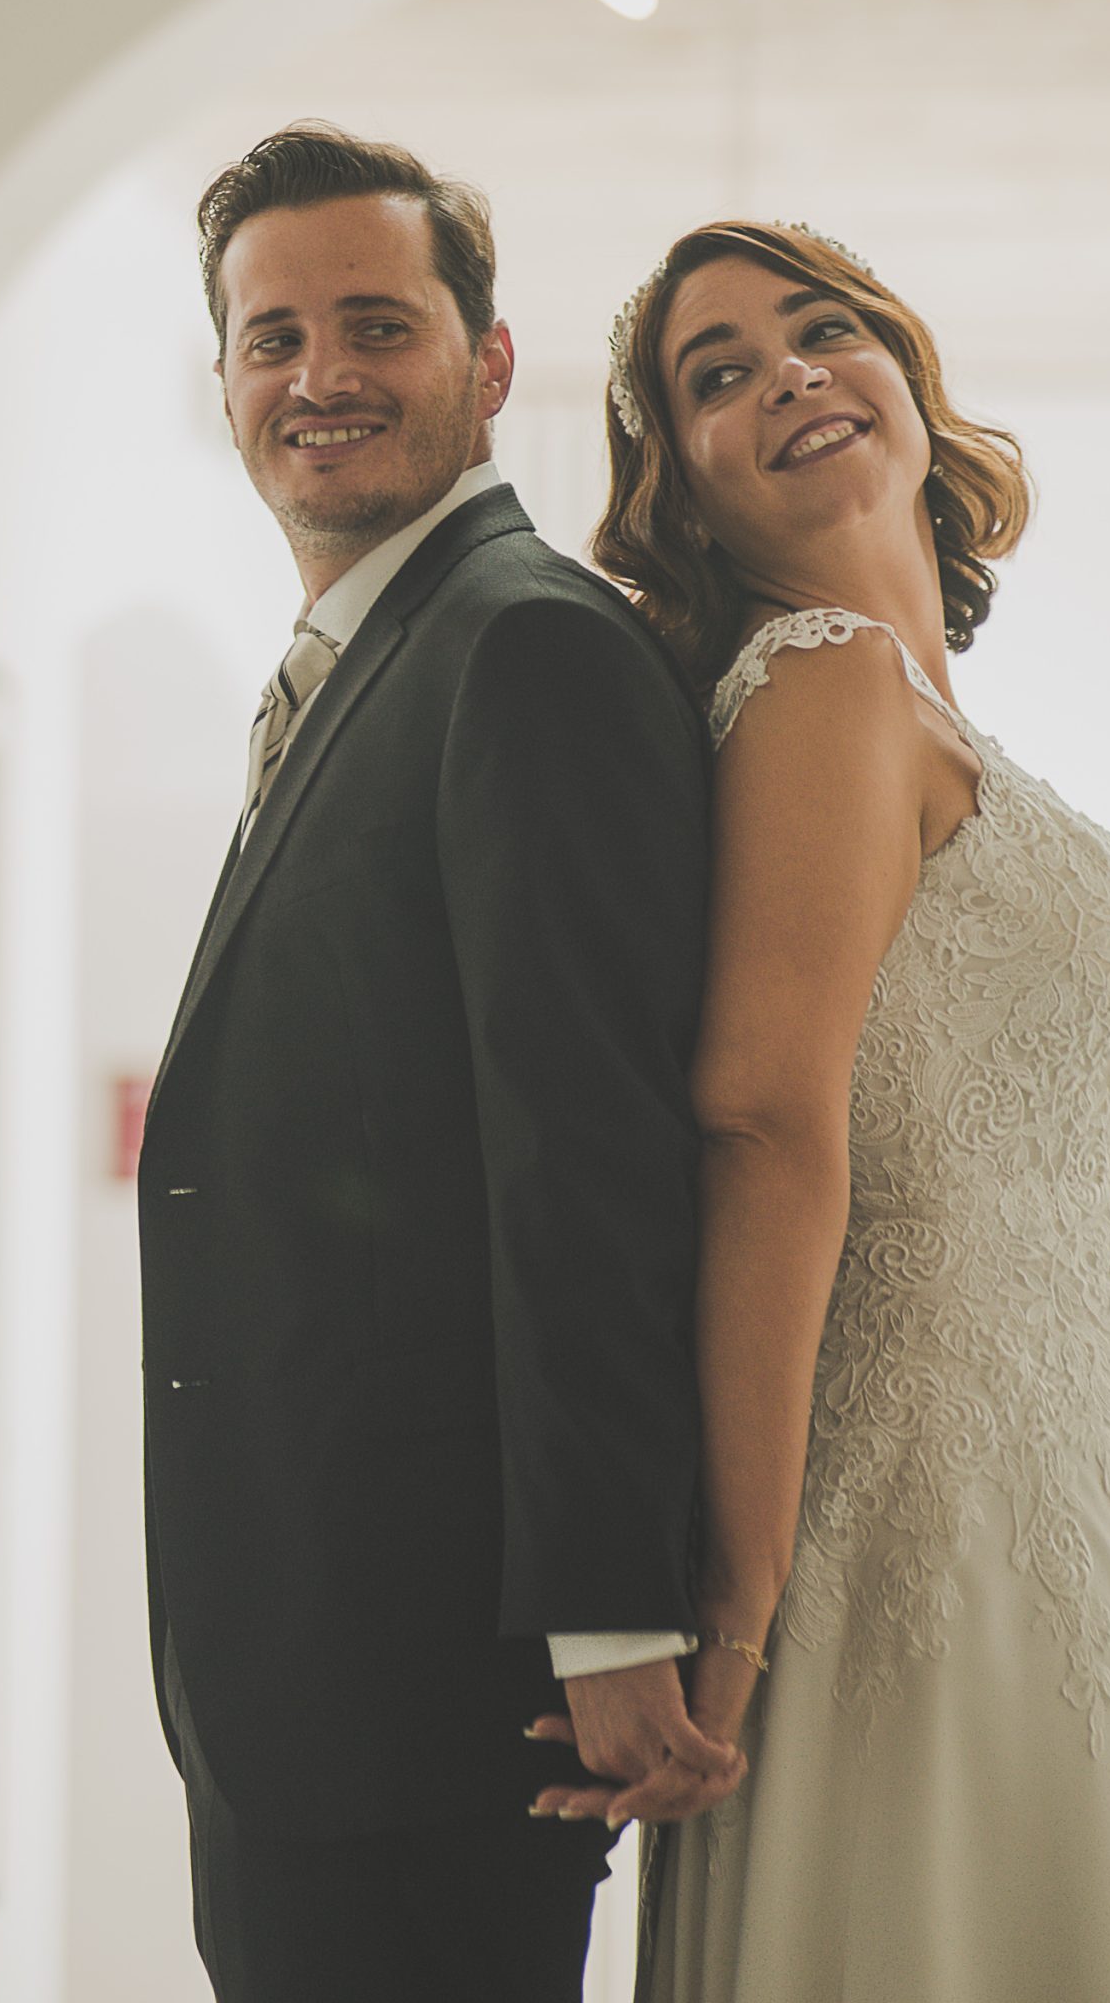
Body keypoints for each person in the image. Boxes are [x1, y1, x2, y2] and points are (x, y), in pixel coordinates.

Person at [534, 219, 1110, 2000]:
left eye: (820, 330)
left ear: (907, 382)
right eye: (719, 375)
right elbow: (763, 1125)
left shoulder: (918, 708)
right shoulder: (824, 676)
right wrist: (738, 1602)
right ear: (681, 491)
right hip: (911, 1484)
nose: (788, 374)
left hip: (1051, 1476)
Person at [136, 122, 743, 2003]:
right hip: (302, 1668)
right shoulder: (368, 663)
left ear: (488, 365)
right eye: (273, 337)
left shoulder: (526, 650)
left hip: (431, 1686)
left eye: (377, 326)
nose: (319, 375)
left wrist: (609, 1610)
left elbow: (588, 1153)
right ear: (227, 381)